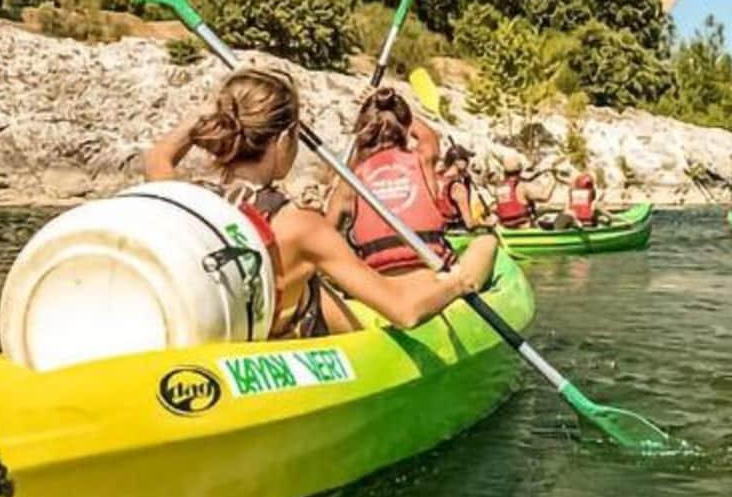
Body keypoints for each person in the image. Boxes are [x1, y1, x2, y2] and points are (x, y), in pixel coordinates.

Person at [144, 67, 497, 337]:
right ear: (285, 140)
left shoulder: (186, 200)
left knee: (317, 288)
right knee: (484, 244)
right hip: (284, 339)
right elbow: (405, 312)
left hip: (230, 334)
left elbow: (158, 159)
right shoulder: (300, 226)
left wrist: (205, 114)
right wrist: (458, 281)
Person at [326, 88, 452, 273]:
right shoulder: (422, 159)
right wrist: (390, 107)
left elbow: (325, 234)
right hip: (432, 272)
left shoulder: (350, 182)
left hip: (381, 280)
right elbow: (428, 135)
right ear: (406, 127)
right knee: (486, 241)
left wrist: (376, 112)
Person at [492, 158, 556, 229]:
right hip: (524, 226)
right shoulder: (522, 186)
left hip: (506, 227)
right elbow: (544, 197)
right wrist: (553, 180)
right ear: (520, 170)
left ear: (504, 172)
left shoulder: (498, 188)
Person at [436, 144, 477, 231]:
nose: (468, 162)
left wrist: (467, 182)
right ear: (457, 161)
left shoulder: (437, 179)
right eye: (465, 159)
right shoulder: (457, 186)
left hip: (440, 227)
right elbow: (468, 222)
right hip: (456, 229)